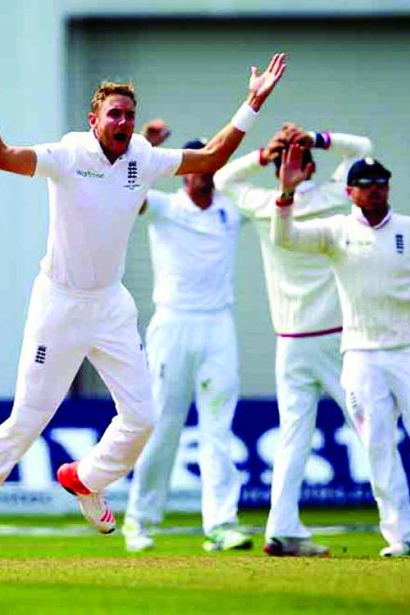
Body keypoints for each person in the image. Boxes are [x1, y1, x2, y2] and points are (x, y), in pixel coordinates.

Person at [0, 48, 287, 559]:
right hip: (58, 304)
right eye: (115, 114)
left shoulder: (142, 159)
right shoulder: (68, 153)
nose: (123, 122)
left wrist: (251, 104)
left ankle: (86, 478)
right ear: (94, 120)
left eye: (129, 114)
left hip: (110, 306)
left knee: (143, 417)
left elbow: (211, 159)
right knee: (29, 418)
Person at [271, 150, 410, 557]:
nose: (375, 189)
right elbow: (286, 238)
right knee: (377, 444)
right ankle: (403, 536)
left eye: (381, 182)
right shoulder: (336, 231)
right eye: (366, 184)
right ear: (349, 192)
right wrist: (285, 192)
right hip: (360, 354)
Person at [214, 124, 410, 556]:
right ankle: (402, 532)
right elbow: (363, 146)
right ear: (312, 168)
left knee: (294, 437)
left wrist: (267, 154)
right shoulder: (331, 198)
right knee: (372, 431)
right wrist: (314, 137)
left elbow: (223, 178)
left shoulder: (265, 205)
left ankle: (281, 529)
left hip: (293, 341)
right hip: (339, 341)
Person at [121, 125, 250, 554]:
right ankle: (139, 520)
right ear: (182, 173)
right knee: (161, 424)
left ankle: (221, 524)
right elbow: (126, 193)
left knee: (218, 429)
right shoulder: (163, 206)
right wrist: (148, 147)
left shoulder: (230, 213)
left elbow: (277, 210)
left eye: (209, 165)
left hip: (218, 327)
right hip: (172, 326)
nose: (203, 174)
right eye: (195, 167)